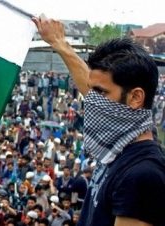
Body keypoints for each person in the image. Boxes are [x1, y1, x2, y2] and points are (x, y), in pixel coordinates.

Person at [32, 16, 165, 225]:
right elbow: (92, 84)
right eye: (92, 91)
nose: (92, 101)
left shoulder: (141, 175)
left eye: (100, 93)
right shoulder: (124, 142)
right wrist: (60, 44)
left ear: (136, 98)